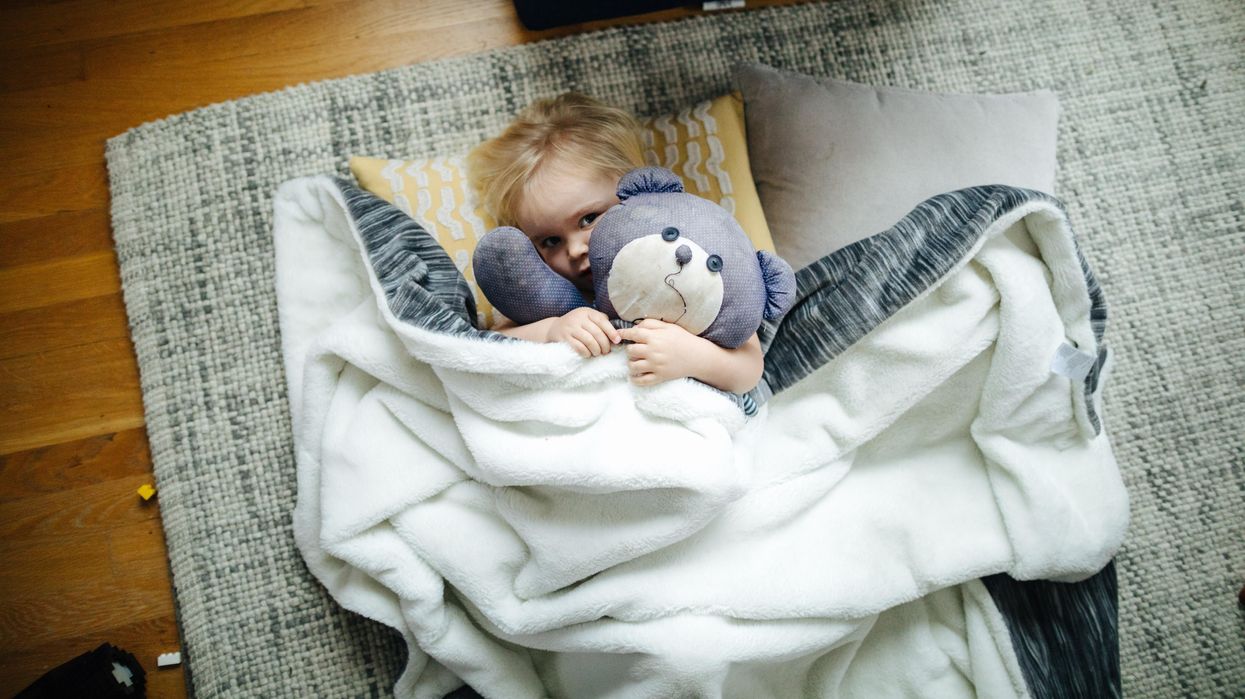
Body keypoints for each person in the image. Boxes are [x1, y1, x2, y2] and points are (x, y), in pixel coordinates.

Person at [467, 92, 763, 394]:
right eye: (550, 241)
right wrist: (551, 331)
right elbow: (494, 345)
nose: (574, 250)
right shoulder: (551, 298)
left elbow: (750, 368)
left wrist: (693, 357)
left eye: (588, 218)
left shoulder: (683, 265)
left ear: (636, 193)